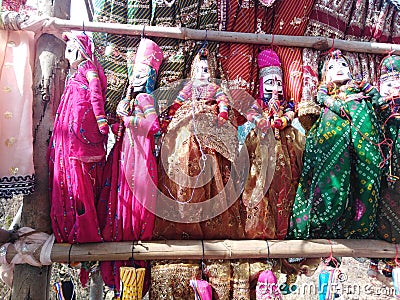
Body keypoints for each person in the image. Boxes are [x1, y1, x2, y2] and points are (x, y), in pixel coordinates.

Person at [287, 49, 386, 240]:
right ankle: (326, 217)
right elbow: (321, 98)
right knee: (333, 176)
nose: (339, 69)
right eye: (332, 67)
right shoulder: (327, 91)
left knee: (369, 173)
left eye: (343, 65)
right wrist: (336, 106)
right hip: (334, 132)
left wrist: (379, 102)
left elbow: (377, 99)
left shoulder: (360, 87)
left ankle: (360, 223)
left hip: (364, 131)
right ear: (326, 74)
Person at [97, 38, 163, 296]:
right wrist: (119, 122)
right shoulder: (130, 99)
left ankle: (132, 276)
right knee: (119, 206)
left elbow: (154, 127)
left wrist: (129, 118)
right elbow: (120, 128)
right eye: (134, 73)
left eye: (143, 73)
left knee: (136, 208)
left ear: (151, 77)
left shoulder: (146, 98)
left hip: (140, 158)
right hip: (124, 157)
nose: (137, 78)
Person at [48, 32, 108, 244]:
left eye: (72, 49)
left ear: (83, 50)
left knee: (81, 176)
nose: (68, 54)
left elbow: (95, 94)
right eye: (67, 50)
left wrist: (100, 119)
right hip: (69, 131)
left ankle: (86, 226)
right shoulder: (74, 74)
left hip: (81, 132)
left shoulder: (89, 69)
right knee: (70, 176)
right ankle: (73, 223)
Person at [242, 48, 305, 240]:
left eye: (278, 82)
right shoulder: (257, 103)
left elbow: (291, 112)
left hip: (286, 144)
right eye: (270, 82)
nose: (275, 88)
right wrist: (262, 121)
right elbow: (251, 114)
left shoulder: (287, 105)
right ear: (261, 84)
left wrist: (282, 121)